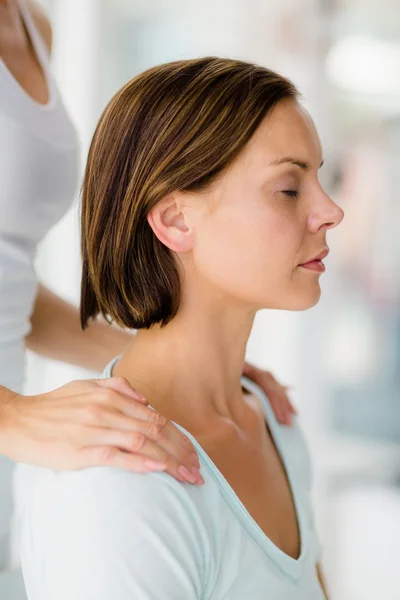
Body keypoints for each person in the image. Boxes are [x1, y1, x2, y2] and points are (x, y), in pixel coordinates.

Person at [21, 56, 343, 599]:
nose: (331, 211)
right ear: (175, 221)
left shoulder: (274, 422)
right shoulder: (118, 484)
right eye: (289, 188)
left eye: (319, 179)